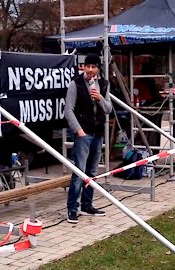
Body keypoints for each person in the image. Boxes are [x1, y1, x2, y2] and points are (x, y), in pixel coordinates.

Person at [64, 53, 112, 224]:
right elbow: (68, 110)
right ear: (83, 67)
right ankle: (72, 208)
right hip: (83, 133)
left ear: (98, 68)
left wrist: (99, 98)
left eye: (93, 67)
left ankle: (87, 204)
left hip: (98, 133)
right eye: (87, 66)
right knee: (79, 172)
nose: (90, 70)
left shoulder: (104, 84)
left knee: (92, 172)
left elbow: (108, 109)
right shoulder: (75, 83)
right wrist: (79, 131)